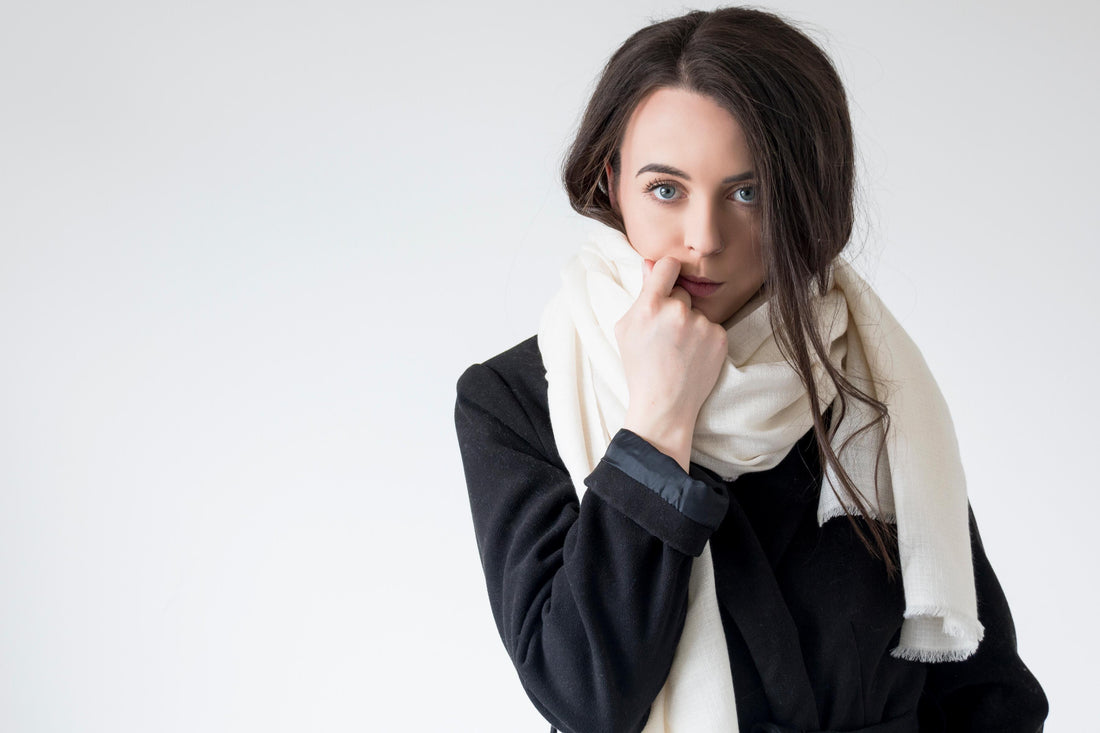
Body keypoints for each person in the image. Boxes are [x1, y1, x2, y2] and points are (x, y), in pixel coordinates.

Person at [453, 6, 1048, 732]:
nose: (705, 239)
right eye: (665, 189)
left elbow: (988, 694)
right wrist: (658, 421)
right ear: (612, 181)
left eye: (748, 192)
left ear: (803, 195)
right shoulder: (516, 399)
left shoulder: (866, 376)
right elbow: (585, 694)